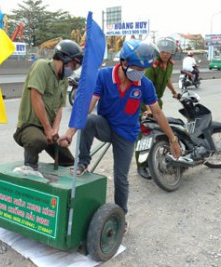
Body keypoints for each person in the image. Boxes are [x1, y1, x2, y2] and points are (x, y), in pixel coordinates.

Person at [58, 39, 182, 232]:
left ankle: (121, 215)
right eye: (136, 68)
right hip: (106, 126)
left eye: (143, 69)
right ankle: (83, 161)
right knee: (90, 121)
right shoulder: (105, 76)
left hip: (127, 135)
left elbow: (157, 112)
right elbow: (89, 105)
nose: (139, 73)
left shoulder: (144, 84)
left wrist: (173, 139)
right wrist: (70, 133)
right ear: (123, 62)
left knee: (120, 178)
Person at [13, 39, 83, 170]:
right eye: (73, 65)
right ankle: (29, 167)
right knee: (38, 141)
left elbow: (59, 108)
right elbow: (36, 97)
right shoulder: (41, 67)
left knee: (69, 162)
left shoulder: (63, 80)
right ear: (64, 58)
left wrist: (55, 130)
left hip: (47, 130)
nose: (73, 69)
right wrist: (47, 129)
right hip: (29, 126)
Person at [136, 37, 179, 179]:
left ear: (172, 53)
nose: (165, 54)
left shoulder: (170, 64)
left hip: (156, 101)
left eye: (168, 51)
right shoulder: (152, 65)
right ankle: (141, 166)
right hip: (144, 103)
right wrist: (148, 109)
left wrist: (174, 92)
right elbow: (143, 87)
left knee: (158, 130)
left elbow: (167, 80)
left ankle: (152, 157)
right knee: (144, 134)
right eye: (162, 51)